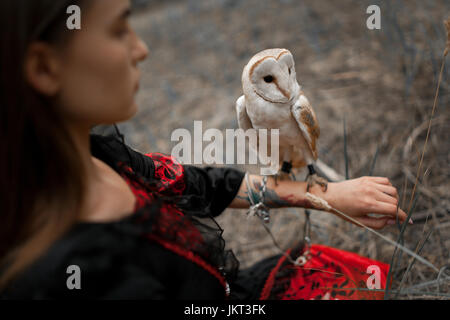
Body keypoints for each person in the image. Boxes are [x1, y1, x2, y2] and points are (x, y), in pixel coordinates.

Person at [0, 0, 409, 300]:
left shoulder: (98, 155)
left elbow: (202, 184)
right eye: (119, 29)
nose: (140, 49)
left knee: (361, 277)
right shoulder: (75, 273)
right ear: (45, 67)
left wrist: (326, 196)